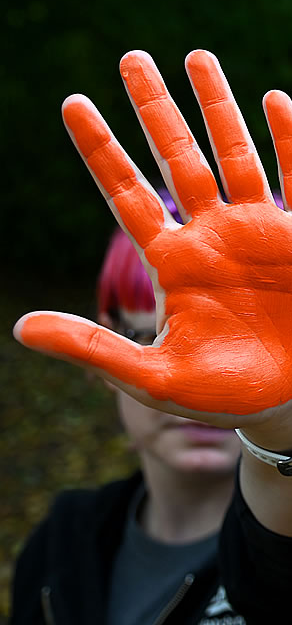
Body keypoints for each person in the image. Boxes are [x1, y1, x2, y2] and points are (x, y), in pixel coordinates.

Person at [13, 50, 292, 622]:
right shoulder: (61, 543)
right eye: (150, 335)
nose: (199, 375)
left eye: (238, 333)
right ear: (102, 363)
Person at [12, 196, 249, 625]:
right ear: (105, 348)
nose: (200, 390)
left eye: (238, 349)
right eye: (161, 343)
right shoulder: (58, 545)